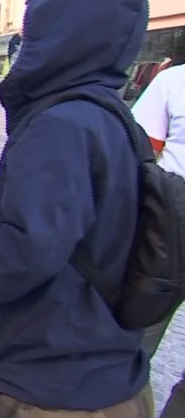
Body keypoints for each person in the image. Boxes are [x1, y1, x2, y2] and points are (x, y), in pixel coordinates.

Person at [0, 0, 153, 417]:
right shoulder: (115, 120)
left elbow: (23, 255)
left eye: (33, 34)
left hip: (50, 385)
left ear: (64, 37)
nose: (23, 47)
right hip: (104, 371)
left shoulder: (61, 126)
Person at [131, 60, 185, 418]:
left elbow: (141, 154)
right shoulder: (172, 80)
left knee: (133, 343)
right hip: (170, 226)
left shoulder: (174, 80)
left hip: (170, 227)